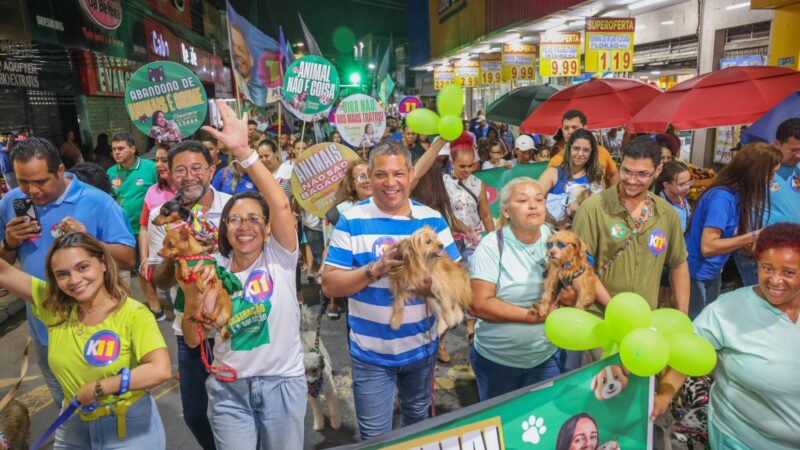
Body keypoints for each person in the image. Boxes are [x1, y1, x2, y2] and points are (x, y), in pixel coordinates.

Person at [180, 100, 305, 449]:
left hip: (281, 385)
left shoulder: (280, 258)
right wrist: (191, 292)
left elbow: (280, 203)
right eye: (235, 219)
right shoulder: (212, 268)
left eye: (254, 219)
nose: (244, 226)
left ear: (267, 229)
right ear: (224, 229)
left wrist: (243, 151)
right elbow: (193, 338)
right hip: (228, 390)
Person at [322, 140, 459, 439]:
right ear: (369, 176)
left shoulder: (432, 220)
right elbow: (330, 283)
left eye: (398, 174)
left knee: (418, 430)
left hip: (421, 352)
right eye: (381, 175)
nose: (390, 182)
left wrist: (430, 285)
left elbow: (458, 278)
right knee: (375, 439)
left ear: (410, 174)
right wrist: (377, 269)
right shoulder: (352, 220)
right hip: (370, 355)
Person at [0, 232, 171, 448]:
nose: (74, 280)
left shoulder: (134, 314)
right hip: (73, 424)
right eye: (62, 274)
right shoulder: (54, 306)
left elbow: (160, 369)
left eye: (82, 267)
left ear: (103, 263)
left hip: (129, 427)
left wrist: (99, 388)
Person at [0, 137, 136, 407]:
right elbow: (3, 266)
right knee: (66, 407)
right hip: (45, 329)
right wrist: (10, 242)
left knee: (105, 404)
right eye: (23, 181)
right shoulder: (11, 202)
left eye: (41, 181)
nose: (32, 191)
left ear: (60, 171)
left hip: (97, 329)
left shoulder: (98, 202)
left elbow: (128, 258)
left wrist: (90, 240)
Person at [652, 222, 800, 450]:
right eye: (767, 268)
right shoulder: (726, 311)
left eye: (788, 272)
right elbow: (686, 358)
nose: (775, 280)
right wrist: (663, 396)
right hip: (741, 440)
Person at [468, 178, 608, 400]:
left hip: (546, 357)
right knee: (505, 425)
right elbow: (479, 304)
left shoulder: (552, 235)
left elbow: (583, 269)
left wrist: (611, 308)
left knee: (547, 424)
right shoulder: (491, 247)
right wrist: (534, 317)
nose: (533, 205)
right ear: (505, 211)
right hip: (499, 362)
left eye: (539, 199)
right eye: (523, 200)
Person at [149, 140, 232, 450]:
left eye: (197, 167)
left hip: (231, 325)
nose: (189, 176)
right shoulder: (164, 215)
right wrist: (178, 251)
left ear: (211, 169)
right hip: (190, 328)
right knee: (196, 414)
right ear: (169, 175)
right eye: (180, 170)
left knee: (239, 407)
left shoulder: (232, 206)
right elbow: (159, 280)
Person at [572, 136, 689, 312]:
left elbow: (679, 263)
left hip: (644, 322)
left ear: (658, 171)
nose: (632, 180)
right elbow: (581, 266)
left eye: (642, 174)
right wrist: (616, 310)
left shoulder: (666, 214)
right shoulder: (593, 209)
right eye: (627, 171)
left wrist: (683, 314)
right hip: (599, 319)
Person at [685, 143, 781, 318]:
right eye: (771, 173)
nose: (773, 179)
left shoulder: (739, 195)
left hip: (711, 273)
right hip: (695, 274)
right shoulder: (722, 198)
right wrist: (751, 236)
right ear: (755, 172)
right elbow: (708, 246)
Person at [735, 118, 800, 287]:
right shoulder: (761, 166)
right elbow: (740, 203)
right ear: (777, 144)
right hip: (761, 250)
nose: (798, 155)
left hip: (793, 251)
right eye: (793, 150)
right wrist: (748, 240)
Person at [323, 160, 372, 319]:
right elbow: (330, 246)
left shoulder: (391, 207)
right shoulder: (340, 212)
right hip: (353, 282)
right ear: (352, 183)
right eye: (362, 177)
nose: (368, 180)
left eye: (372, 175)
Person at [108, 132, 158, 281]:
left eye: (121, 148)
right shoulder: (111, 172)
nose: (116, 152)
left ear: (133, 149)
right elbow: (111, 198)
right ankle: (152, 304)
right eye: (114, 149)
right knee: (139, 270)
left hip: (148, 228)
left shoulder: (150, 167)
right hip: (125, 230)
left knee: (154, 267)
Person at [138, 145, 177, 321]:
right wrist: (145, 258)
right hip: (162, 260)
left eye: (164, 160)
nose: (159, 164)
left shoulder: (189, 191)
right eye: (157, 160)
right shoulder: (152, 192)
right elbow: (144, 228)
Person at [538, 129, 605, 225]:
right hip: (555, 233)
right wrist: (556, 221)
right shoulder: (553, 173)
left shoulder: (595, 176)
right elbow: (534, 199)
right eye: (576, 148)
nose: (580, 154)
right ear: (569, 148)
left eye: (586, 150)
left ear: (591, 153)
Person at [549, 110, 619, 187]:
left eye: (574, 127)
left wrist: (614, 195)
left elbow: (614, 174)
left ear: (585, 128)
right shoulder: (555, 161)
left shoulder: (601, 151)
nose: (570, 131)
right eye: (566, 128)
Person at [654, 160, 692, 232]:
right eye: (682, 184)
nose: (687, 187)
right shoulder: (660, 207)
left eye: (688, 182)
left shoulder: (681, 195)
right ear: (666, 185)